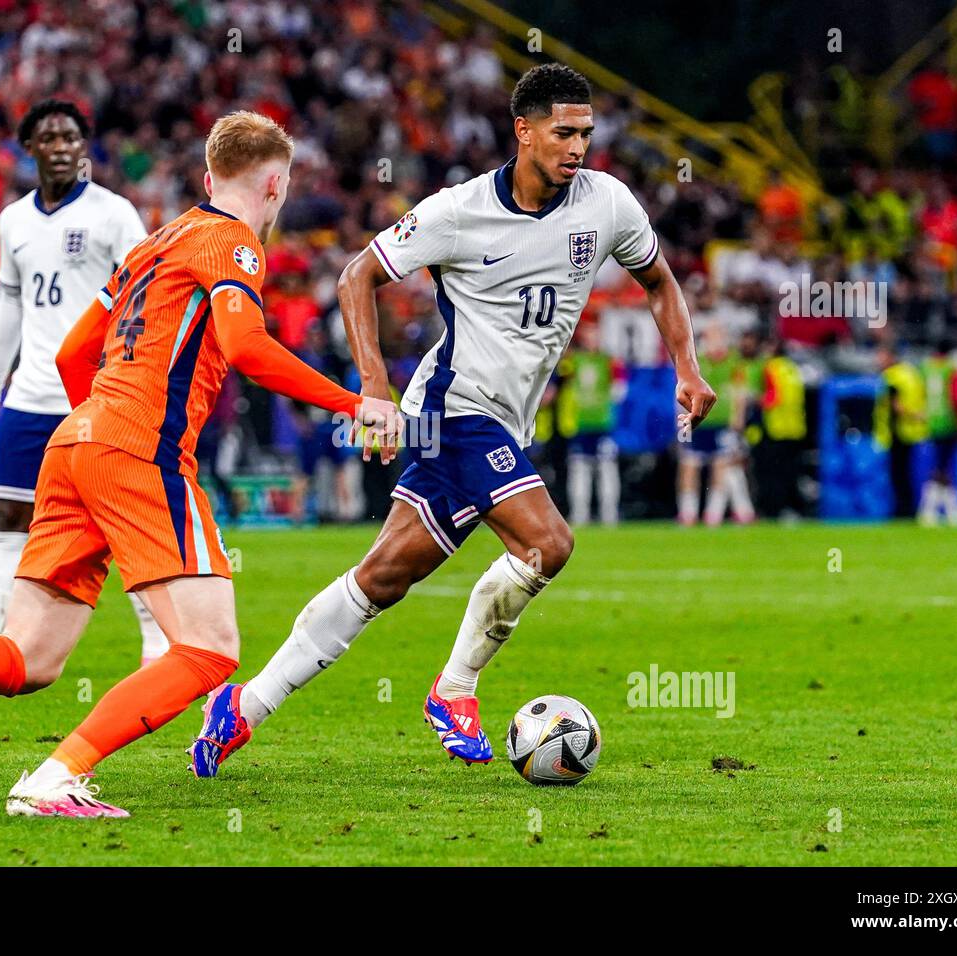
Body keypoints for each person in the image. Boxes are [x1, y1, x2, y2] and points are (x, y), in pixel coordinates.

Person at [0, 111, 392, 819]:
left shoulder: (155, 244)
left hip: (75, 440)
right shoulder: (232, 242)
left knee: (29, 658)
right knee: (210, 650)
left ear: (206, 178)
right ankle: (54, 776)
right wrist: (356, 403)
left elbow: (75, 352)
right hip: (137, 450)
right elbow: (248, 347)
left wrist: (96, 433)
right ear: (275, 183)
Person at [189, 63, 714, 776]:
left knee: (382, 579)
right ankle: (454, 689)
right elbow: (357, 276)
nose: (578, 147)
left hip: (506, 420)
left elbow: (657, 279)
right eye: (564, 132)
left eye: (586, 133)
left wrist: (686, 365)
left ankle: (241, 708)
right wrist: (374, 386)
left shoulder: (608, 204)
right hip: (455, 410)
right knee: (548, 544)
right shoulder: (458, 211)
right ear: (522, 131)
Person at [0, 100, 167, 666]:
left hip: (99, 394)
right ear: (29, 148)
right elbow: (9, 307)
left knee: (125, 521)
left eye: (71, 137)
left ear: (85, 147)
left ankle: (157, 644)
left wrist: (139, 376)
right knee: (7, 514)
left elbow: (144, 300)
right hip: (29, 395)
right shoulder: (14, 219)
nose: (61, 147)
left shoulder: (115, 214)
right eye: (49, 137)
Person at [676, 322, 751, 526]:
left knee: (721, 466)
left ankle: (713, 514)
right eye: (711, 338)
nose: (716, 342)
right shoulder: (695, 362)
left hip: (722, 422)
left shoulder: (733, 362)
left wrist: (738, 417)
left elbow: (739, 392)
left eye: (719, 337)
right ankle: (688, 512)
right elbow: (683, 388)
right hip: (696, 421)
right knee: (689, 466)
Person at [563, 321, 625, 525]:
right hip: (579, 422)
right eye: (588, 336)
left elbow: (620, 390)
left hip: (603, 422)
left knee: (606, 468)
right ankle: (580, 514)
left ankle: (609, 515)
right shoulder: (574, 359)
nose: (592, 340)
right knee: (579, 469)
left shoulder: (608, 360)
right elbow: (561, 377)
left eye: (595, 335)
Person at [874, 343, 928, 519]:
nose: (878, 360)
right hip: (912, 432)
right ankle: (910, 510)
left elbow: (895, 405)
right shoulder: (911, 373)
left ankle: (902, 511)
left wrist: (911, 414)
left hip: (897, 432)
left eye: (881, 356)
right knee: (908, 474)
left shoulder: (892, 377)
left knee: (898, 476)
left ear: (891, 357)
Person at [756, 338, 807, 518]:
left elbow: (772, 398)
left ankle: (775, 510)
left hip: (776, 428)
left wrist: (756, 401)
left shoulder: (771, 368)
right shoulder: (792, 368)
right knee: (791, 473)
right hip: (795, 428)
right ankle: (793, 508)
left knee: (774, 474)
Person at [918, 339, 957, 525]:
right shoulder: (951, 370)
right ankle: (943, 511)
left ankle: (933, 510)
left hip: (930, 422)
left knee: (939, 464)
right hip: (948, 422)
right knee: (944, 465)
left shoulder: (926, 368)